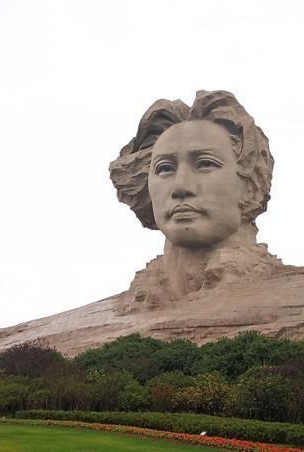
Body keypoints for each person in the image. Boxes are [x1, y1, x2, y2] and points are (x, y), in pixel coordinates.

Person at [110, 90, 282, 305]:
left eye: (205, 164)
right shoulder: (89, 321)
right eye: (165, 168)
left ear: (251, 183)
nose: (181, 187)